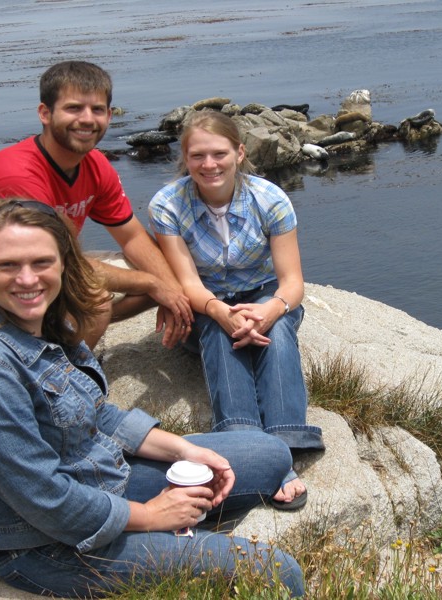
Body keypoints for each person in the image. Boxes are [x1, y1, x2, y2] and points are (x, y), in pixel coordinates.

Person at [0, 199, 305, 597]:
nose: (27, 278)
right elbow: (42, 496)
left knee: (269, 454)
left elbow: (92, 413)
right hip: (45, 543)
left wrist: (182, 450)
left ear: (64, 263)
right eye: (7, 265)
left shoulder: (43, 322)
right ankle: (173, 542)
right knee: (275, 574)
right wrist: (150, 515)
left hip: (100, 478)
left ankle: (180, 536)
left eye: (41, 262)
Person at [148, 111, 324, 511]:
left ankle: (280, 449)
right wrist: (221, 312)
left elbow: (292, 282)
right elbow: (188, 284)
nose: (209, 165)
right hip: (205, 300)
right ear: (185, 157)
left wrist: (270, 310)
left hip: (263, 293)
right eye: (198, 156)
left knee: (276, 332)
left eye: (219, 153)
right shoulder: (167, 206)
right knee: (216, 330)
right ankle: (242, 445)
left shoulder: (270, 199)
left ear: (239, 153)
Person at [0, 60, 192, 349]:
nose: (88, 119)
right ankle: (60, 369)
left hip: (46, 267)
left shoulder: (95, 164)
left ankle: (64, 331)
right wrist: (154, 284)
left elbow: (131, 236)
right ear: (45, 113)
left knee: (172, 271)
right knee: (97, 302)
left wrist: (172, 289)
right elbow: (61, 266)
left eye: (98, 110)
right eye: (74, 108)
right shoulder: (18, 174)